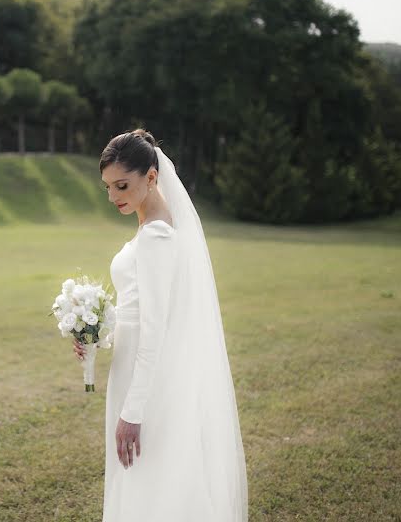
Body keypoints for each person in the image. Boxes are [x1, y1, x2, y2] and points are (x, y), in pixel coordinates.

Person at [74, 128, 248, 521]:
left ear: (151, 177)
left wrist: (133, 412)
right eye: (107, 187)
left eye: (122, 185)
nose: (113, 196)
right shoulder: (151, 226)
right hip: (134, 367)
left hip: (145, 380)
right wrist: (98, 335)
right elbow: (138, 313)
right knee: (145, 475)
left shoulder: (155, 236)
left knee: (148, 476)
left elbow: (155, 329)